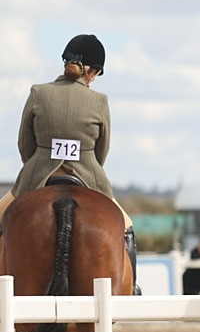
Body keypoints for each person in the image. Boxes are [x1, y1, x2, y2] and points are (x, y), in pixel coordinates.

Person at [0, 34, 140, 293]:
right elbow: (102, 150)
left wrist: (39, 162)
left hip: (38, 173)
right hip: (88, 175)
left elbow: (24, 144)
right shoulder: (99, 101)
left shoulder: (38, 92)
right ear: (94, 71)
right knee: (126, 227)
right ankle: (132, 288)